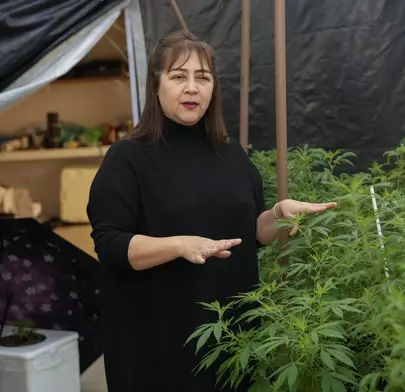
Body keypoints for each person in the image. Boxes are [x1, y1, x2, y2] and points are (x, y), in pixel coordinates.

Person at [87, 30, 336, 392]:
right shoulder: (128, 159)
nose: (192, 88)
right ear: (156, 86)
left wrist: (280, 215)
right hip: (159, 344)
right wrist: (180, 245)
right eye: (178, 76)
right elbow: (110, 246)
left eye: (202, 78)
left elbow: (249, 232)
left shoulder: (230, 154)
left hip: (233, 340)